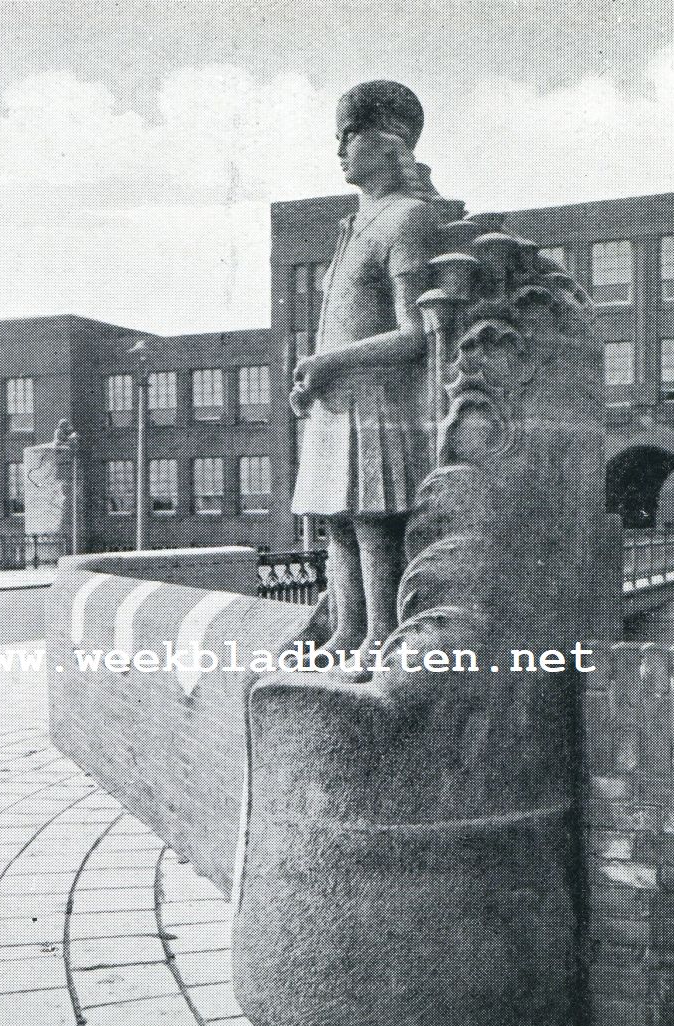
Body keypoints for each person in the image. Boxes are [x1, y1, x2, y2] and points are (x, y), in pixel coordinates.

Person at [289, 81, 448, 667]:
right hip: (335, 398)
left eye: (350, 136)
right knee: (336, 520)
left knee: (372, 522)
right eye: (338, 138)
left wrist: (329, 362)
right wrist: (312, 379)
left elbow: (414, 334)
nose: (339, 150)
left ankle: (381, 633)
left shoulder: (407, 218)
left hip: (379, 398)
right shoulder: (352, 225)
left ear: (389, 143)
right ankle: (346, 629)